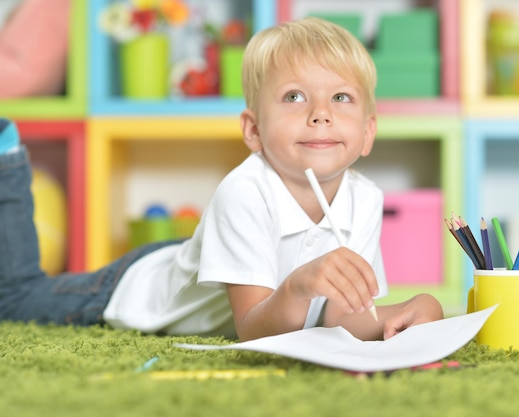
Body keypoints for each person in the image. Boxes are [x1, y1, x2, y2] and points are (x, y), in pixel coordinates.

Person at [0, 17, 442, 341]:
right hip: (135, 290)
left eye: (341, 97)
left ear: (367, 133)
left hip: (201, 261)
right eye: (294, 96)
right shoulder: (243, 192)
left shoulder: (365, 199)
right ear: (253, 130)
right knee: (17, 299)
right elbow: (253, 331)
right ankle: (7, 156)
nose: (321, 113)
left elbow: (341, 321)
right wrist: (299, 285)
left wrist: (412, 309)